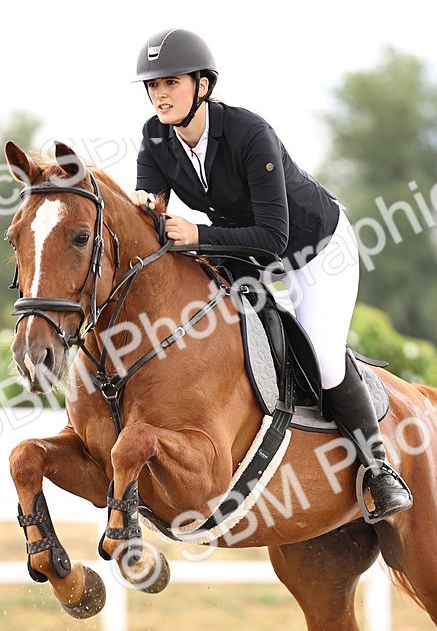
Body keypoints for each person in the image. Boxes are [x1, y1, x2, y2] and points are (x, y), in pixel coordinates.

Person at [131, 27, 412, 521]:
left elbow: (273, 237)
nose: (160, 94)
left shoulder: (248, 133)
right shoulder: (156, 138)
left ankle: (380, 468)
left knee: (323, 358)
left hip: (315, 251)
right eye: (153, 85)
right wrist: (139, 211)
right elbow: (152, 208)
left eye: (171, 82)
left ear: (202, 86)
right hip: (242, 250)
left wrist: (197, 236)